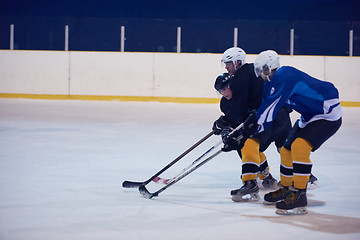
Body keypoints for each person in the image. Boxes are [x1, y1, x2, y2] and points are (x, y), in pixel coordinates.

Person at [239, 50, 342, 214]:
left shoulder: (284, 75)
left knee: (300, 146)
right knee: (287, 150)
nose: (260, 74)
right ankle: (287, 188)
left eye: (262, 70)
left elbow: (268, 110)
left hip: (327, 111)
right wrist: (249, 130)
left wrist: (251, 127)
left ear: (270, 67)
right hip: (309, 115)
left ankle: (299, 194)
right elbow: (266, 113)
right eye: (258, 71)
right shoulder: (269, 84)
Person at [212, 47, 292, 202]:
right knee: (284, 147)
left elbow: (239, 107)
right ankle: (297, 177)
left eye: (229, 63)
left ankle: (251, 183)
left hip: (268, 117)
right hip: (280, 116)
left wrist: (227, 122)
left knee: (246, 142)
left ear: (237, 62)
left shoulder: (241, 76)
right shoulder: (250, 72)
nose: (226, 67)